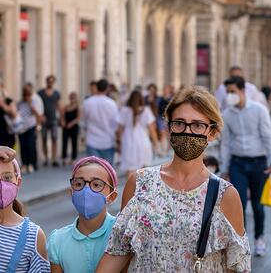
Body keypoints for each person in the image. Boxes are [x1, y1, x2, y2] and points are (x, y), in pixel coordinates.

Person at [97, 86, 250, 272]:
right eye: (179, 123)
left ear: (212, 133)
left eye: (197, 125)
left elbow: (236, 266)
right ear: (169, 128)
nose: (187, 131)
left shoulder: (225, 195)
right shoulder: (139, 183)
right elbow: (118, 252)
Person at [220, 76, 271, 257]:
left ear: (243, 91)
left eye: (233, 91)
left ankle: (259, 238)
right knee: (239, 204)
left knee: (258, 206)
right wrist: (224, 168)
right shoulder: (227, 115)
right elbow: (226, 143)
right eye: (228, 92)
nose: (230, 95)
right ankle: (240, 242)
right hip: (238, 163)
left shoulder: (259, 111)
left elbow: (268, 136)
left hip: (258, 162)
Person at [47, 156, 118, 273]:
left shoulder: (121, 232)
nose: (86, 190)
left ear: (112, 196)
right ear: (72, 193)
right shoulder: (57, 241)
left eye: (96, 185)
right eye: (79, 184)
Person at [116, 91, 158, 177]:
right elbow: (152, 129)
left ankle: (130, 189)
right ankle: (140, 189)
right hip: (143, 141)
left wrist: (118, 142)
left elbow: (119, 130)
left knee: (129, 169)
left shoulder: (124, 110)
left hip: (128, 142)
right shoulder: (146, 110)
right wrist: (156, 143)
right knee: (142, 170)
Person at [81, 79, 119, 165]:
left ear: (96, 87)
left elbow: (83, 121)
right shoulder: (111, 103)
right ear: (107, 89)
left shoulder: (87, 102)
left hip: (92, 140)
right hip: (108, 141)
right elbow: (116, 123)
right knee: (107, 172)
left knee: (94, 171)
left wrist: (83, 134)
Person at [17, 83, 44, 174]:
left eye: (28, 94)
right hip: (21, 127)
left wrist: (31, 105)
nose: (27, 96)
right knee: (23, 145)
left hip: (31, 126)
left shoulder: (35, 101)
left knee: (30, 144)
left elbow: (39, 115)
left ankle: (31, 164)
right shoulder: (20, 103)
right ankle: (24, 164)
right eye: (25, 94)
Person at [39, 75, 62, 167]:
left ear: (54, 82)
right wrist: (40, 116)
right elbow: (38, 105)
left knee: (54, 138)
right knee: (44, 139)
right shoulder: (40, 93)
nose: (50, 83)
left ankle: (54, 158)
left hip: (53, 119)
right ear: (46, 82)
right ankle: (45, 158)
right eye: (49, 81)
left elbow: (58, 105)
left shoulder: (56, 93)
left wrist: (61, 117)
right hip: (44, 120)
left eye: (52, 81)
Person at [62, 92, 81, 166]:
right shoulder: (66, 107)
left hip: (74, 127)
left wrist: (72, 123)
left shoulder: (78, 107)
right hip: (66, 127)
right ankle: (64, 158)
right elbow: (62, 116)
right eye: (71, 97)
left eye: (74, 98)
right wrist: (63, 122)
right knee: (65, 142)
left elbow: (78, 118)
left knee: (74, 142)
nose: (72, 99)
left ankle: (73, 158)